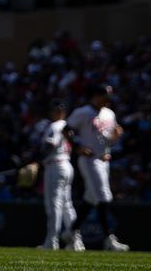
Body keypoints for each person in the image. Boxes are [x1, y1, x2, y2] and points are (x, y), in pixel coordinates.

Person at [67, 85, 129, 251]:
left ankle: (72, 232)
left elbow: (108, 140)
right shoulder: (83, 112)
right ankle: (109, 239)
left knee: (91, 199)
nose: (108, 100)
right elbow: (67, 129)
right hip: (89, 159)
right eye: (105, 96)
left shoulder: (109, 113)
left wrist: (115, 137)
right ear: (95, 96)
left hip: (104, 160)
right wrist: (77, 146)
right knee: (104, 195)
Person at [38, 101, 78, 250]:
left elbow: (49, 146)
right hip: (66, 165)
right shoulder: (67, 126)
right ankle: (76, 242)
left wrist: (36, 161)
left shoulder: (54, 126)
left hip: (55, 165)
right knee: (67, 205)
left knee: (54, 205)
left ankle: (51, 241)